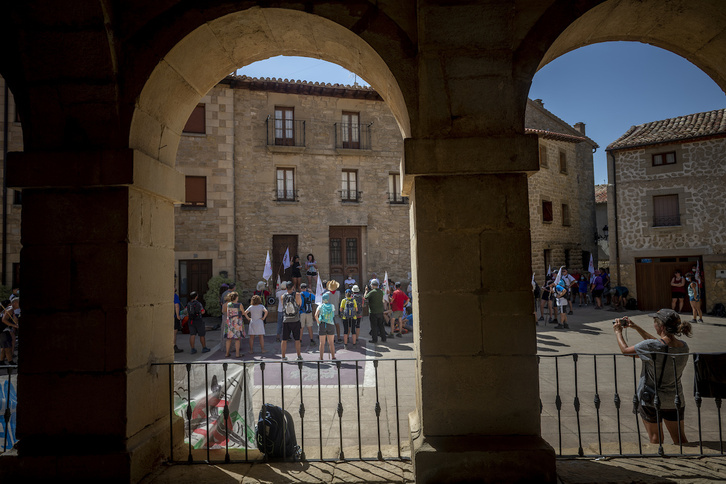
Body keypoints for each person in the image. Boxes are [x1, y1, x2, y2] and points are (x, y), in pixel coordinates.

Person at [613, 310, 692, 444]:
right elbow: (661, 344)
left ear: (661, 327)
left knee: (656, 439)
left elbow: (625, 351)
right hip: (675, 398)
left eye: (655, 323)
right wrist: (636, 327)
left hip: (651, 399)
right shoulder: (684, 346)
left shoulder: (651, 346)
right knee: (680, 439)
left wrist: (618, 332)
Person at [280, 282, 303, 361]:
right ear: (293, 287)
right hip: (295, 319)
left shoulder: (282, 296)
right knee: (297, 339)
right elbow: (300, 304)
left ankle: (283, 356)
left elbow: (283, 306)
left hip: (286, 319)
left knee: (284, 339)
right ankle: (299, 356)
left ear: (286, 288)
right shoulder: (297, 295)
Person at [223, 292, 246, 358]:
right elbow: (243, 312)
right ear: (236, 297)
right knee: (237, 339)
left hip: (229, 322)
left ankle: (227, 353)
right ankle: (237, 354)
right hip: (237, 323)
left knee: (228, 339)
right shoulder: (240, 304)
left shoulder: (228, 304)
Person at [315, 292, 336, 360]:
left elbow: (315, 315)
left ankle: (321, 358)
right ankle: (333, 357)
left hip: (322, 325)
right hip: (330, 324)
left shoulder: (320, 306)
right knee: (331, 343)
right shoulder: (332, 306)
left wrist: (318, 322)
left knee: (322, 343)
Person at [364, 279, 386, 343]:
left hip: (373, 312)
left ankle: (374, 339)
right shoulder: (381, 291)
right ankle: (383, 338)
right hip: (380, 311)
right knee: (381, 325)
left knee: (374, 326)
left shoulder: (372, 292)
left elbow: (365, 297)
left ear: (373, 285)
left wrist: (366, 291)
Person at [0, 297, 19, 365]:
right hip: (3, 330)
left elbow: (15, 319)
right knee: (7, 346)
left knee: (3, 346)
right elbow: (4, 320)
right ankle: (10, 361)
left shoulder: (12, 310)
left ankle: (1, 361)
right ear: (15, 303)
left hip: (4, 329)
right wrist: (14, 326)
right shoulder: (10, 309)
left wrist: (15, 324)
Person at [173, 288, 183, 353]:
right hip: (174, 316)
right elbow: (176, 306)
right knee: (174, 332)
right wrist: (178, 316)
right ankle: (174, 346)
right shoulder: (175, 296)